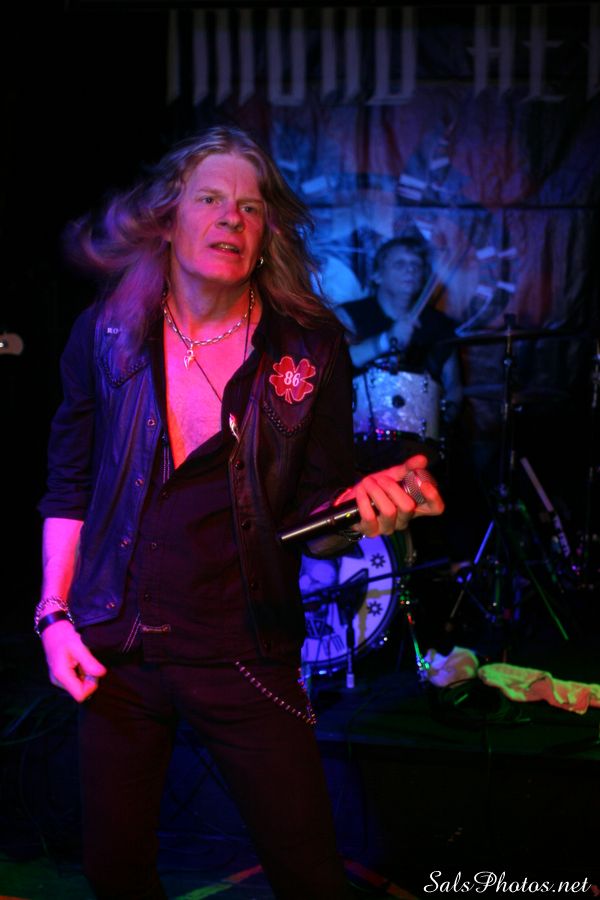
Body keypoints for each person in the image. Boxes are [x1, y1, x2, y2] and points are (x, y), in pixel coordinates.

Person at [35, 125, 444, 900]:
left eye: (251, 206)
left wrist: (362, 513)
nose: (232, 216)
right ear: (168, 218)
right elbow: (69, 487)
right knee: (115, 875)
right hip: (117, 644)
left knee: (310, 879)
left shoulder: (309, 349)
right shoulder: (108, 332)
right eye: (211, 199)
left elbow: (319, 519)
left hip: (245, 646)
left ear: (266, 235)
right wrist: (54, 616)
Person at [337, 233, 463, 471]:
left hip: (417, 452)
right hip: (356, 447)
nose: (410, 270)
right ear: (377, 275)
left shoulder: (440, 326)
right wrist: (387, 340)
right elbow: (336, 363)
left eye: (416, 265)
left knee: (416, 489)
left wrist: (443, 420)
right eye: (400, 264)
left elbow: (453, 388)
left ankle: (414, 488)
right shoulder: (349, 315)